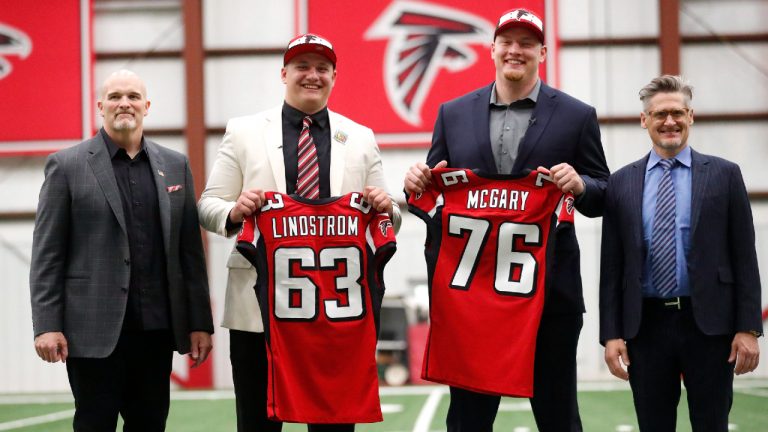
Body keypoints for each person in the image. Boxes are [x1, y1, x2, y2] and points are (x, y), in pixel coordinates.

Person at [404, 8, 609, 432]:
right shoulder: (453, 113)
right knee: (468, 420)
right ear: (492, 48)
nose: (516, 50)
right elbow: (432, 193)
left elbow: (603, 193)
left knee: (557, 416)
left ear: (543, 52)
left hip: (549, 296)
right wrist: (414, 183)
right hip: (473, 301)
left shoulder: (576, 115)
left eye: (527, 43)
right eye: (508, 42)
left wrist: (582, 185)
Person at [197, 33, 400, 432]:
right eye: (303, 67)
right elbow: (207, 205)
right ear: (284, 73)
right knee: (257, 422)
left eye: (322, 68)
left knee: (333, 423)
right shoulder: (243, 132)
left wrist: (385, 205)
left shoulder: (360, 137)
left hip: (335, 312)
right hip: (259, 310)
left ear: (334, 76)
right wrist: (236, 211)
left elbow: (389, 215)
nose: (312, 75)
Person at [30, 69, 214, 431]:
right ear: (101, 106)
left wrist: (199, 323)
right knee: (93, 424)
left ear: (146, 106)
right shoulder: (67, 166)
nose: (124, 103)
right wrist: (47, 325)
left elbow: (189, 253)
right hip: (91, 332)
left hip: (156, 330)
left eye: (132, 96)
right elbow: (47, 255)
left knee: (150, 424)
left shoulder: (175, 165)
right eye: (114, 97)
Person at [599, 75, 762, 431]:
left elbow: (744, 257)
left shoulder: (724, 175)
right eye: (659, 114)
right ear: (645, 120)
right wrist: (611, 334)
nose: (669, 121)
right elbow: (612, 267)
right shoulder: (621, 183)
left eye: (677, 112)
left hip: (709, 326)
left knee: (711, 423)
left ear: (691, 116)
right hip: (646, 327)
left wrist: (748, 328)